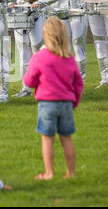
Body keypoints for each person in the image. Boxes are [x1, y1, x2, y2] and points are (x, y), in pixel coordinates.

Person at [23, 17, 84, 180]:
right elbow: (78, 82)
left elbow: (29, 81)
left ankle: (49, 173)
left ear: (45, 35)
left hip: (47, 104)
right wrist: (74, 101)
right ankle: (71, 173)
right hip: (66, 104)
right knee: (67, 138)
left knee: (47, 139)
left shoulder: (39, 57)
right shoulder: (69, 58)